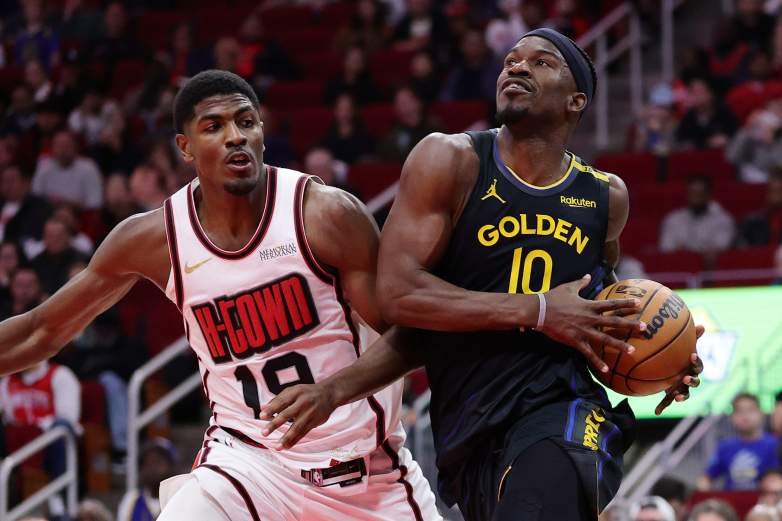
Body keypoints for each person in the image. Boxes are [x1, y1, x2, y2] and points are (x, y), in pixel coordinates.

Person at [261, 28, 703, 521]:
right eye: (512, 60)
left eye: (541, 63)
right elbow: (401, 298)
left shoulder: (606, 197)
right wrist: (333, 390)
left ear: (576, 100)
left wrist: (660, 356)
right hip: (470, 427)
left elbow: (598, 315)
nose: (516, 67)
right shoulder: (450, 160)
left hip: (563, 409)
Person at [0, 69, 441, 521]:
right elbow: (42, 330)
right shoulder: (156, 239)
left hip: (363, 472)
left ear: (262, 132)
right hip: (248, 465)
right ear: (185, 147)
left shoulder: (324, 216)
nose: (235, 136)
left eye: (246, 122)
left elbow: (410, 337)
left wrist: (332, 391)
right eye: (214, 127)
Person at [699, 393, 780, 490]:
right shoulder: (725, 446)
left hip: (765, 501)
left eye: (750, 410)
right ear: (731, 416)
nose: (745, 416)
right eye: (739, 411)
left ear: (761, 413)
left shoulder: (775, 445)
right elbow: (707, 477)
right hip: (732, 501)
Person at [659, 175, 736, 255]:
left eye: (700, 193)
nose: (696, 197)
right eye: (693, 192)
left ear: (709, 195)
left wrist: (685, 249)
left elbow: (721, 247)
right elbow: (666, 248)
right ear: (687, 193)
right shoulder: (673, 219)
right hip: (678, 265)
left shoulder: (723, 220)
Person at [31, 129, 104, 210]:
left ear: (75, 147)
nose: (63, 151)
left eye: (67, 146)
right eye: (59, 146)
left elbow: (95, 203)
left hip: (80, 216)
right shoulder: (44, 167)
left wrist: (67, 203)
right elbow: (35, 199)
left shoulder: (89, 168)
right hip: (48, 215)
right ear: (53, 148)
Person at [117, 438, 177, 521]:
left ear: (171, 467)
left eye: (157, 462)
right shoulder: (132, 500)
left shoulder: (179, 500)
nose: (152, 468)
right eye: (147, 463)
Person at [676, 78, 738, 149]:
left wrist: (727, 139)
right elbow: (683, 141)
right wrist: (707, 142)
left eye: (700, 92)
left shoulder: (724, 113)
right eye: (692, 92)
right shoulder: (688, 118)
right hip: (697, 157)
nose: (696, 96)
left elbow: (736, 134)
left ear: (710, 94)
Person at [740, 172, 782, 246]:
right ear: (767, 194)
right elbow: (741, 246)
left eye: (779, 191)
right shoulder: (752, 222)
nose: (775, 195)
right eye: (771, 191)